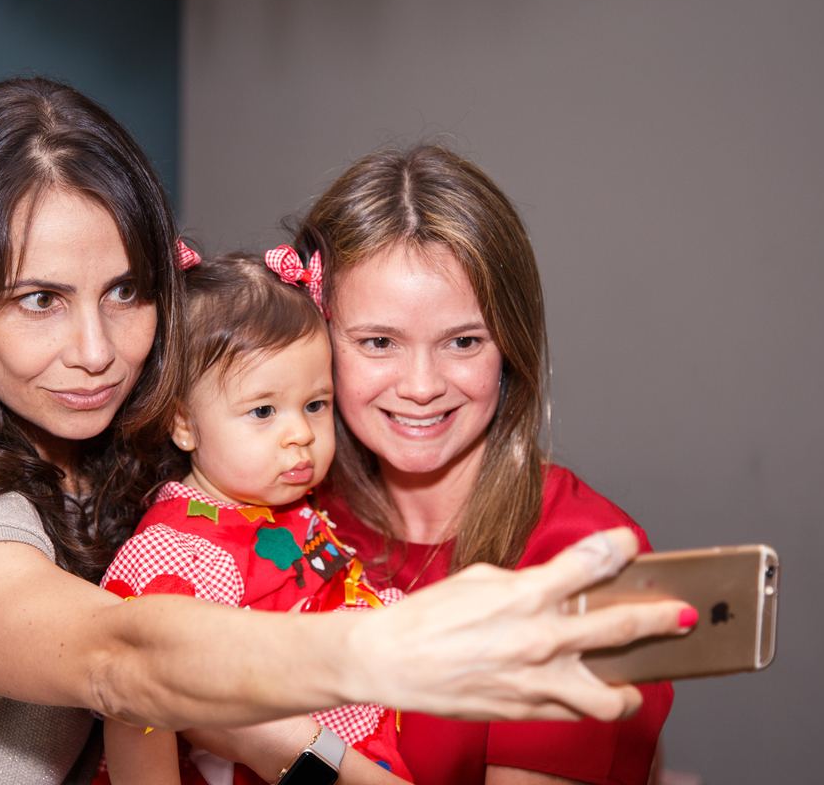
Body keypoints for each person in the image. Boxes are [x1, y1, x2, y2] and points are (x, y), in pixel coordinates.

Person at [0, 80, 692, 785]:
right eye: (37, 300)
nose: (96, 350)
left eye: (126, 291)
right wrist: (380, 650)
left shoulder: (183, 476)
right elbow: (122, 659)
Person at [289, 143, 684, 785]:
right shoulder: (283, 517)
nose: (421, 385)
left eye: (464, 341)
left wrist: (270, 741)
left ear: (511, 351)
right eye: (379, 342)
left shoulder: (582, 558)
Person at [97, 249, 410, 785]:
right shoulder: (180, 553)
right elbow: (135, 707)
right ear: (184, 424)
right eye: (263, 411)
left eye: (316, 404)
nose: (301, 434)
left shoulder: (288, 506)